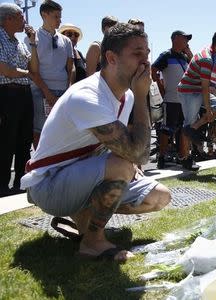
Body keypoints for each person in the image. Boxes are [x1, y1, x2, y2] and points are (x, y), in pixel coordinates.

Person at [21, 23, 171, 262]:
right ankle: (92, 242)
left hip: (79, 175)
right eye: (137, 54)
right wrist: (143, 97)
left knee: (159, 196)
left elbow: (124, 151)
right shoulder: (88, 96)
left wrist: (132, 165)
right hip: (48, 185)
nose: (145, 62)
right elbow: (136, 153)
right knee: (121, 166)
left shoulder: (126, 95)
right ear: (111, 58)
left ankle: (84, 218)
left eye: (147, 54)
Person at [0, 3, 38, 196]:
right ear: (8, 19)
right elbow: (5, 70)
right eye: (20, 16)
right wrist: (27, 74)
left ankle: (20, 182)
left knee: (24, 138)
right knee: (6, 139)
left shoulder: (20, 42)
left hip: (24, 94)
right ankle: (1, 185)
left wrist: (33, 42)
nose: (24, 20)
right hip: (6, 94)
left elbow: (34, 67)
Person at [177, 30, 216, 170]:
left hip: (197, 90)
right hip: (190, 91)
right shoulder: (207, 59)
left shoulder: (210, 50)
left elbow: (204, 89)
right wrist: (208, 110)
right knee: (187, 124)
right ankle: (186, 159)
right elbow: (205, 88)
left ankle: (193, 128)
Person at [25, 0, 73, 149]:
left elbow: (70, 68)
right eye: (56, 16)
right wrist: (47, 92)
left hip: (63, 90)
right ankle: (41, 163)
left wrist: (68, 89)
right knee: (40, 128)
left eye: (60, 16)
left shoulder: (66, 41)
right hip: (41, 90)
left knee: (62, 128)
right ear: (44, 15)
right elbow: (32, 71)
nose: (60, 20)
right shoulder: (31, 39)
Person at [151, 30, 193, 169]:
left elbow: (194, 66)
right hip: (171, 100)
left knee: (182, 130)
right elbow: (153, 69)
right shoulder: (166, 55)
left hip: (184, 101)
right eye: (184, 39)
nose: (187, 42)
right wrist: (161, 89)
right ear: (175, 39)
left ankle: (182, 157)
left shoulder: (183, 57)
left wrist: (189, 53)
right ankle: (162, 157)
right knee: (166, 129)